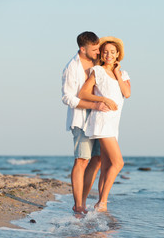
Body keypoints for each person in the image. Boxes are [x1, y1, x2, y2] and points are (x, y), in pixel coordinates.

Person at [78, 36, 131, 211]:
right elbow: (84, 93)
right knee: (118, 163)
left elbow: (127, 93)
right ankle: (102, 203)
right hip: (102, 122)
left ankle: (99, 204)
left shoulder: (123, 75)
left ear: (118, 55)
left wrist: (117, 73)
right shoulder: (97, 71)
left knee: (106, 165)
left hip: (114, 125)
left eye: (112, 52)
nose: (109, 54)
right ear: (101, 53)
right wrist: (104, 99)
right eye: (106, 51)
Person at [62, 31, 111, 214]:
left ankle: (82, 200)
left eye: (99, 48)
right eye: (95, 49)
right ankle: (78, 206)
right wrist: (94, 105)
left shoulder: (97, 63)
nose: (98, 52)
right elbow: (67, 98)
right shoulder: (71, 68)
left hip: (98, 120)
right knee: (81, 160)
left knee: (97, 159)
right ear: (83, 49)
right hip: (81, 120)